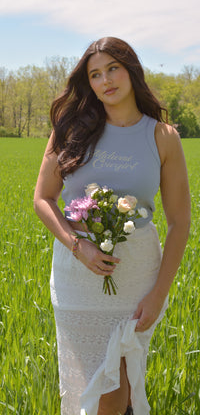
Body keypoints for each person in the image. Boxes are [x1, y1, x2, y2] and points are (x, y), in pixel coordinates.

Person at [33, 37, 190, 415]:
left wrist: (158, 294)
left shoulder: (162, 136)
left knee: (116, 382)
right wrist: (78, 246)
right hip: (76, 275)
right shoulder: (70, 128)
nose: (106, 80)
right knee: (90, 379)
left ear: (131, 69)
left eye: (113, 68)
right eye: (96, 74)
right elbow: (43, 199)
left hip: (136, 279)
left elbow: (180, 222)